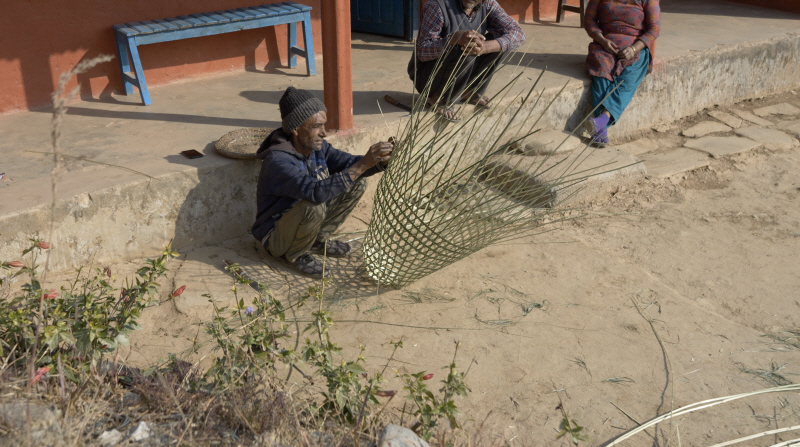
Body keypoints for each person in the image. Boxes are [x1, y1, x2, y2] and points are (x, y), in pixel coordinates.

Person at [252, 87, 393, 278]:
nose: (324, 133)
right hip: (277, 236)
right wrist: (362, 165)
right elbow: (314, 192)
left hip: (304, 223)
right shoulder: (279, 161)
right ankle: (296, 254)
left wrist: (379, 161)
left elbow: (348, 164)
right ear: (296, 129)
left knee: (356, 183)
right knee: (314, 205)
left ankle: (316, 240)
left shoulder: (318, 148)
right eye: (316, 126)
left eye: (324, 125)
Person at [408, 0, 525, 122]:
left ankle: (469, 90)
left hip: (463, 69)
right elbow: (422, 51)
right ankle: (439, 98)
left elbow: (519, 34)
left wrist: (486, 47)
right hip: (428, 78)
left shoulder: (489, 5)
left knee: (500, 42)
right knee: (466, 47)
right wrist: (452, 39)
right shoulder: (437, 5)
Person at [583, 0, 660, 147]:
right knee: (602, 71)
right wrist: (602, 40)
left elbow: (654, 29)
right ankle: (601, 127)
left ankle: (601, 121)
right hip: (604, 45)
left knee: (629, 77)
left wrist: (634, 49)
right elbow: (589, 20)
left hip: (635, 48)